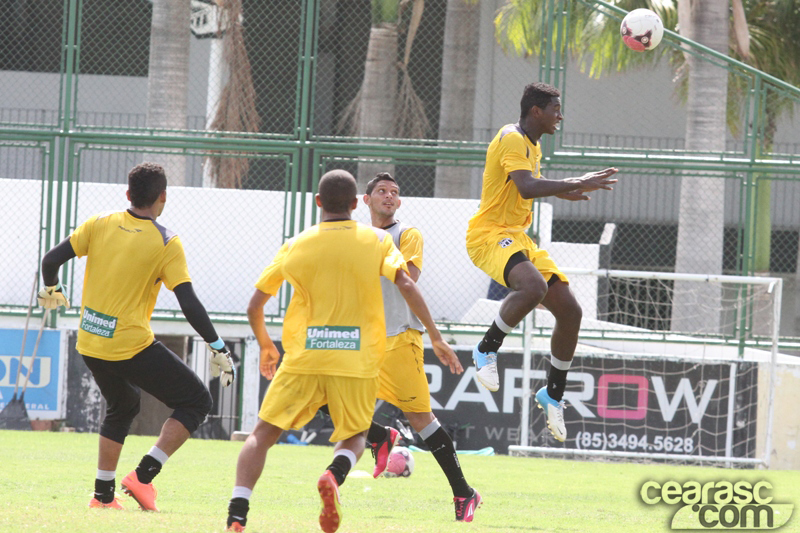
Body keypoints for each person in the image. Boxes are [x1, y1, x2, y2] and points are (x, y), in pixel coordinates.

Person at [225, 169, 460, 533]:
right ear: (357, 203)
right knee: (353, 435)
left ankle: (237, 515)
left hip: (305, 355)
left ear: (318, 202)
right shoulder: (376, 241)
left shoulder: (296, 243)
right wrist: (437, 336)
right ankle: (334, 478)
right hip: (357, 355)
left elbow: (255, 305)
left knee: (261, 434)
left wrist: (267, 346)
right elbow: (407, 283)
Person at [37, 162, 235, 512]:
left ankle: (102, 496)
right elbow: (187, 300)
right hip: (130, 346)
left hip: (91, 342)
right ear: (163, 198)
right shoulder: (166, 241)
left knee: (123, 405)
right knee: (196, 401)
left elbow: (51, 259)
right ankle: (143, 477)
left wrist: (52, 287)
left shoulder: (99, 223)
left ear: (128, 194)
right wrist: (216, 345)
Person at [466, 82, 618, 442]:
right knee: (533, 287)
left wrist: (566, 189)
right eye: (555, 109)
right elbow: (526, 187)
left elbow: (529, 183)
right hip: (489, 234)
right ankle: (486, 348)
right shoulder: (511, 137)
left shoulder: (531, 145)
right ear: (536, 110)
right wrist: (575, 181)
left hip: (518, 237)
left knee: (570, 311)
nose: (560, 116)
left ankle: (553, 393)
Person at [360, 172, 481, 521]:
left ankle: (463, 493)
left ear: (398, 203)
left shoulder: (405, 234)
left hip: (399, 340)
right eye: (381, 191)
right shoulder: (358, 238)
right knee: (323, 394)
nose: (388, 196)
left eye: (394, 192)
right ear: (365, 200)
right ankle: (380, 436)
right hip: (364, 341)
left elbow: (408, 280)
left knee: (421, 419)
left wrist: (435, 336)